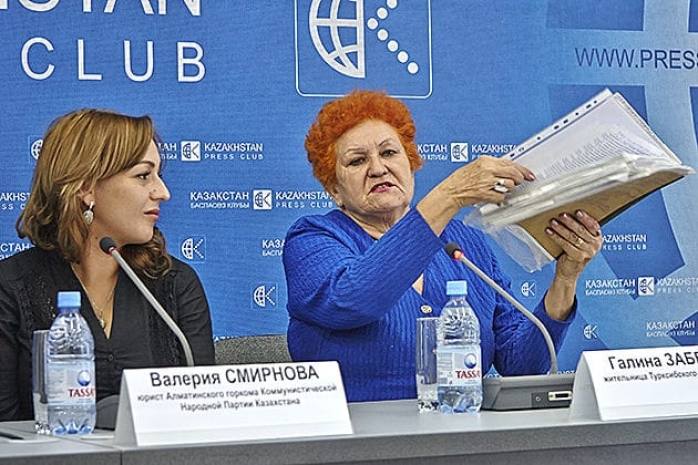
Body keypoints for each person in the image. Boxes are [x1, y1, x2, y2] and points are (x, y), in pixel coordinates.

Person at [283, 90, 603, 403]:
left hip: (462, 431)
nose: (378, 168)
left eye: (389, 153)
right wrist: (450, 195)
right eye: (357, 161)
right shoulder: (313, 238)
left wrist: (566, 278)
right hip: (357, 436)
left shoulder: (465, 241)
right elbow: (356, 299)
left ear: (411, 166)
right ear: (334, 189)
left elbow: (521, 366)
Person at [0, 109, 215, 421]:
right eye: (143, 176)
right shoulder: (11, 286)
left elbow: (203, 415)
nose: (163, 193)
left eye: (158, 175)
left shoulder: (175, 283)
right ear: (86, 187)